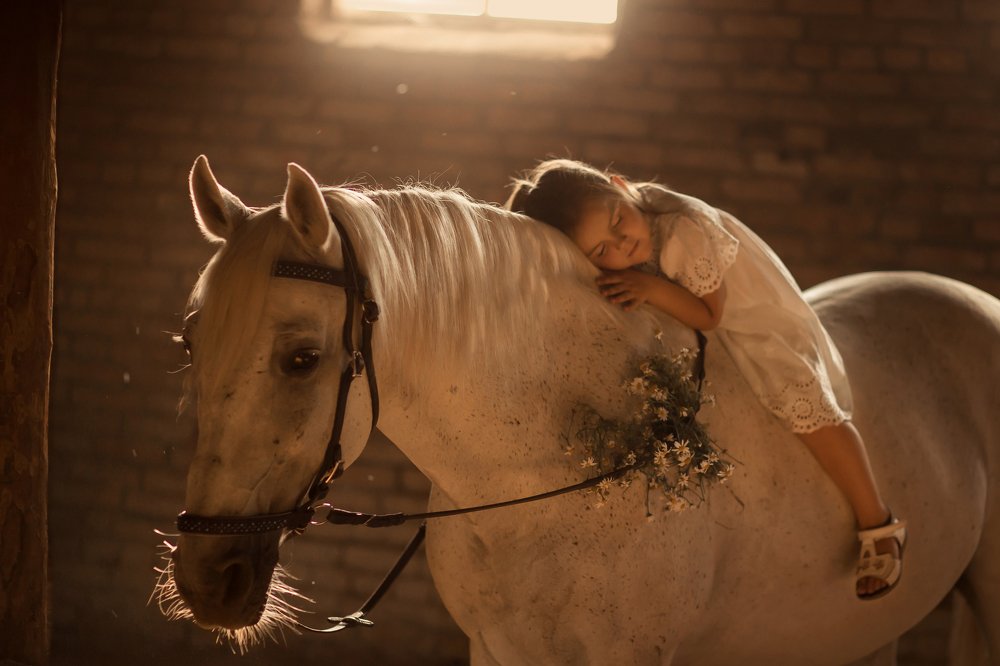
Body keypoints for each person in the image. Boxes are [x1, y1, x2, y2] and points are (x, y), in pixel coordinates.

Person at [505, 158, 905, 600]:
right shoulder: (619, 239)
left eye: (619, 219)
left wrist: (650, 288)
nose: (621, 240)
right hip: (691, 317)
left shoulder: (683, 233)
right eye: (602, 251)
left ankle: (877, 522)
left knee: (801, 401)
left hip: (749, 319)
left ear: (620, 185)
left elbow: (710, 316)